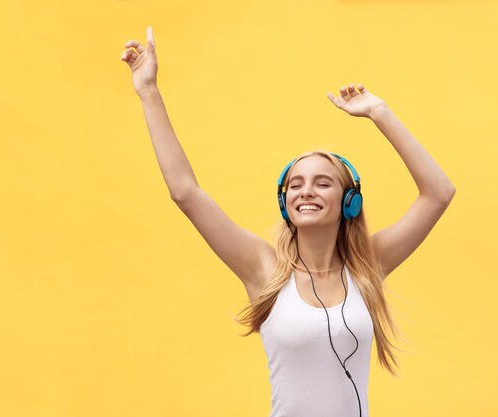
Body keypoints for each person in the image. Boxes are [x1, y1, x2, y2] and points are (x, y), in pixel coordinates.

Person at [121, 26, 456, 417]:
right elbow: (186, 192)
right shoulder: (264, 269)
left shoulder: (368, 267)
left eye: (323, 183)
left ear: (350, 201)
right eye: (295, 185)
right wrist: (148, 91)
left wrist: (379, 113)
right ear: (285, 203)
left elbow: (439, 192)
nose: (306, 191)